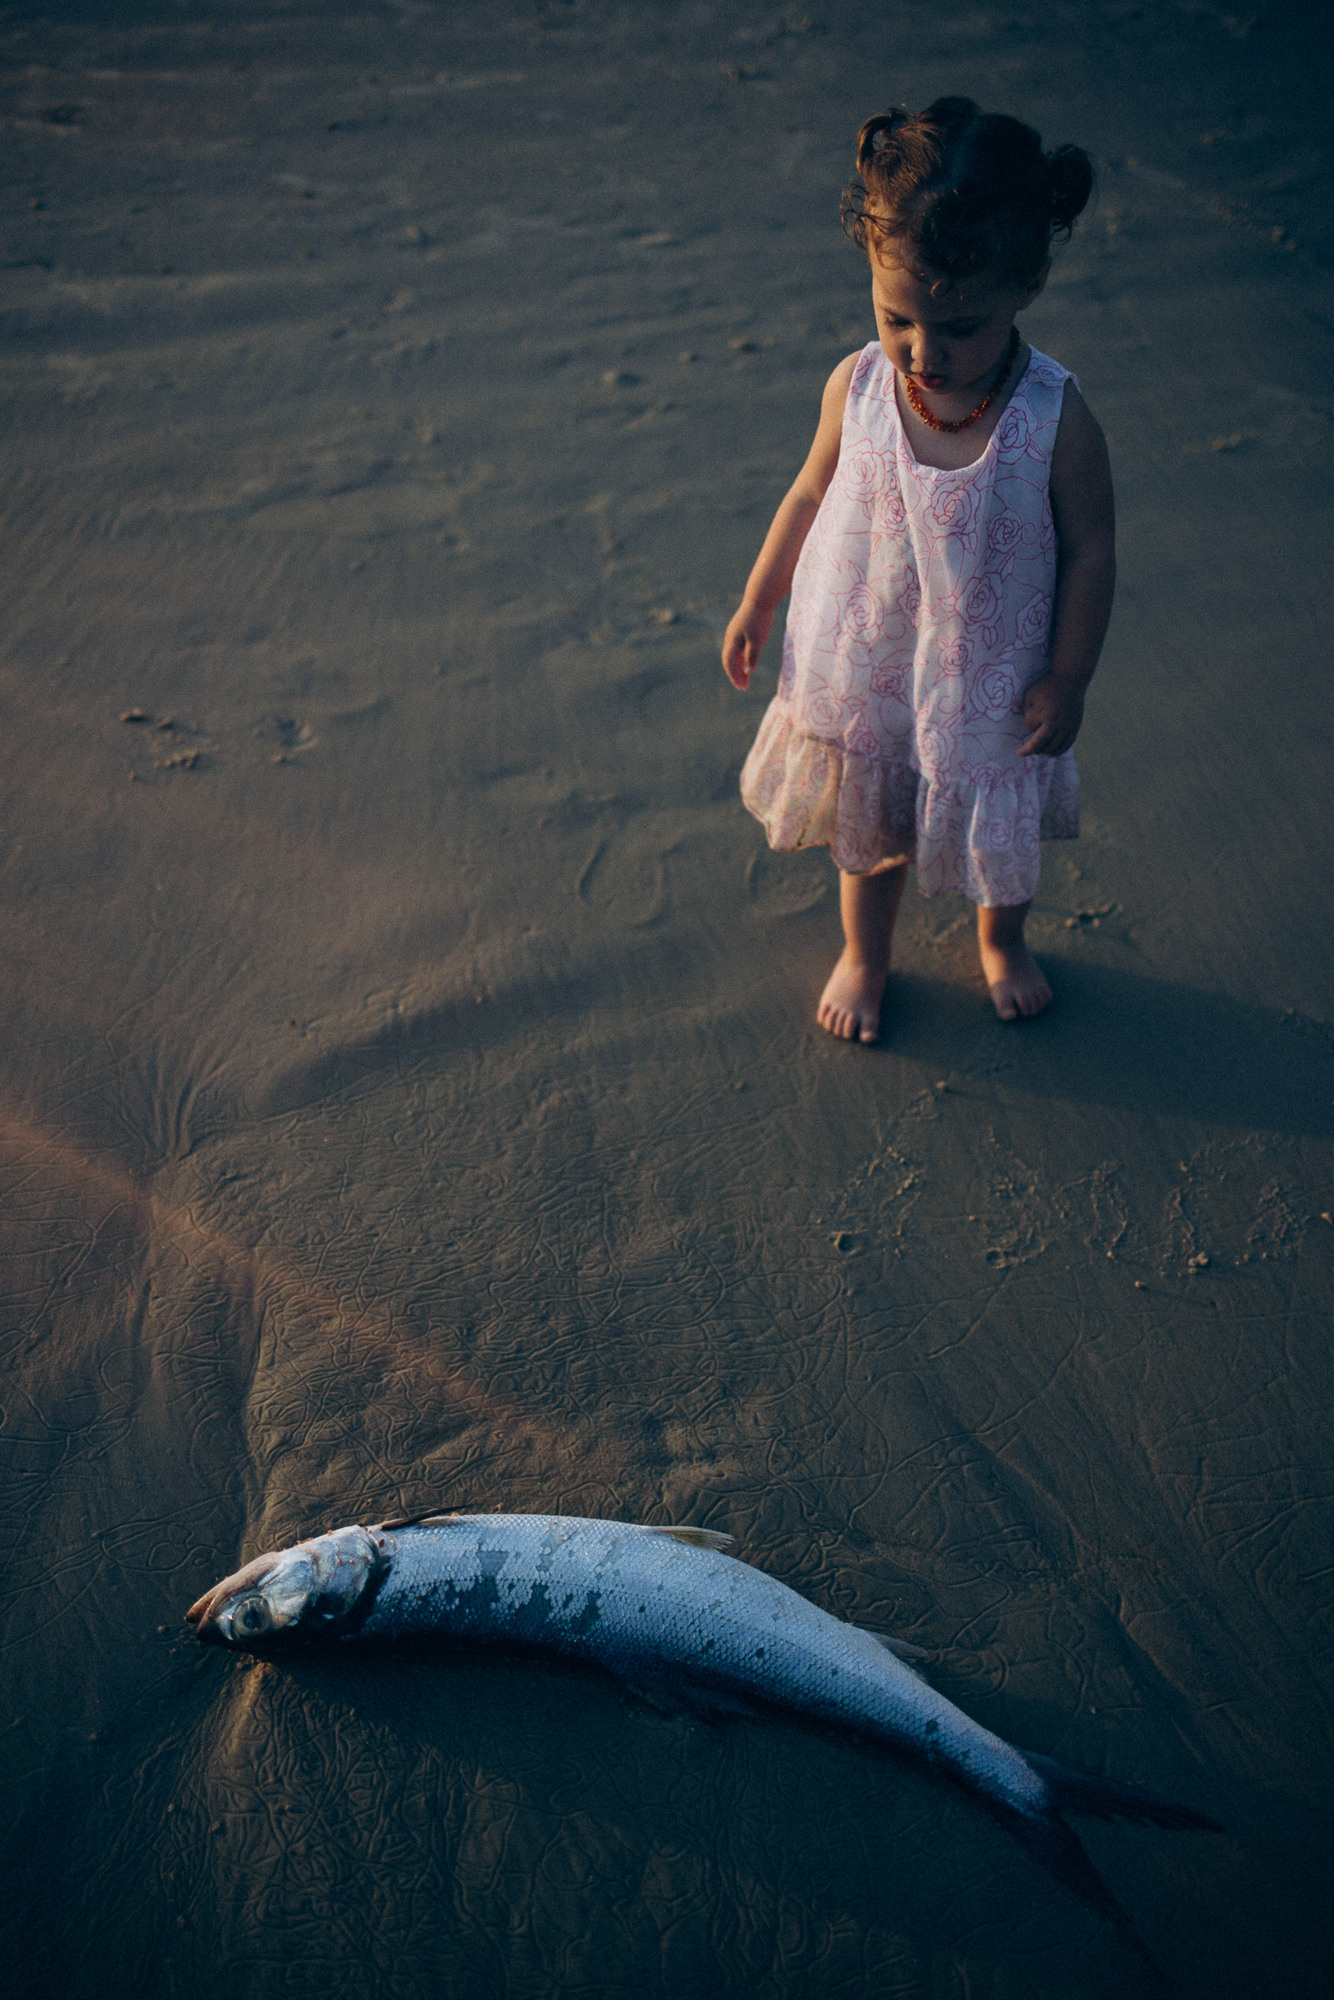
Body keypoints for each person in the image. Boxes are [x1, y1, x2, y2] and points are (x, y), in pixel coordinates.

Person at [723, 97, 1115, 1044]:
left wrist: (1069, 677)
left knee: (995, 825)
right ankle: (866, 955)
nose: (924, 352)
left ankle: (1001, 942)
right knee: (870, 828)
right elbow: (809, 494)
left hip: (991, 679)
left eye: (960, 326)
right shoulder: (857, 387)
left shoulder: (1054, 422)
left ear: (1026, 285)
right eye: (898, 318)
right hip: (869, 658)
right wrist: (758, 597)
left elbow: (1094, 548)